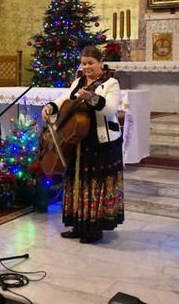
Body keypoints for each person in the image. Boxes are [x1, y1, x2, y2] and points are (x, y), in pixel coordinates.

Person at [41, 45, 125, 244]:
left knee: (94, 184)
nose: (86, 67)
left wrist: (93, 97)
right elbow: (65, 99)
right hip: (79, 139)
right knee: (78, 182)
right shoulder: (78, 82)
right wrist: (50, 106)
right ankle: (78, 225)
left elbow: (111, 108)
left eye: (91, 63)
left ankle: (94, 230)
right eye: (84, 63)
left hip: (101, 142)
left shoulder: (110, 83)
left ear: (100, 64)